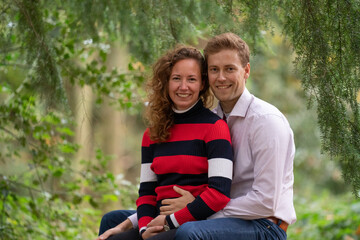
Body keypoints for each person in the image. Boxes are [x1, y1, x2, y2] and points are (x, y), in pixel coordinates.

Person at [98, 32, 296, 240]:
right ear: (207, 76)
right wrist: (136, 225)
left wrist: (194, 209)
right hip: (213, 212)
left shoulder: (266, 121)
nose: (221, 77)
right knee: (114, 220)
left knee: (188, 231)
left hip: (262, 225)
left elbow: (264, 202)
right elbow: (164, 191)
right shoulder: (213, 118)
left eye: (230, 69)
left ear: (246, 70)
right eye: (214, 70)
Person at [104, 46, 233, 240]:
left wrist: (170, 221)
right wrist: (144, 229)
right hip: (157, 222)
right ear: (166, 82)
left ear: (202, 84)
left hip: (192, 224)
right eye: (176, 78)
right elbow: (146, 193)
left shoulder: (215, 127)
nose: (183, 87)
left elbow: (219, 194)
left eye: (191, 79)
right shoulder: (152, 134)